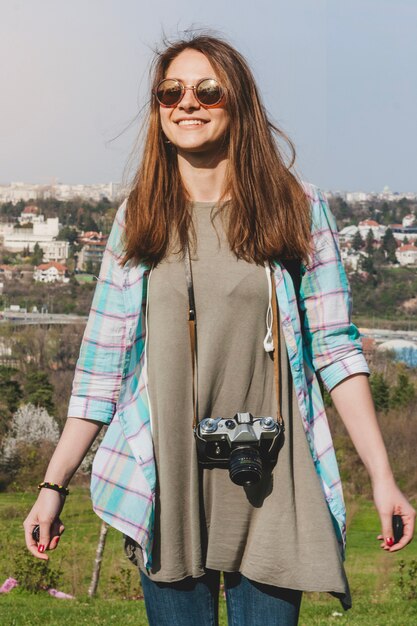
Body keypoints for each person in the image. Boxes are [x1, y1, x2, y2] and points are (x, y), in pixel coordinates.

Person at [24, 33, 415, 626]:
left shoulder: (296, 208)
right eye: (171, 91)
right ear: (157, 107)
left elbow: (336, 350)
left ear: (240, 103)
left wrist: (384, 480)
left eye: (208, 90)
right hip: (169, 486)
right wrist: (52, 487)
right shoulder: (139, 217)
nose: (187, 103)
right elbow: (100, 370)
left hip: (273, 481)